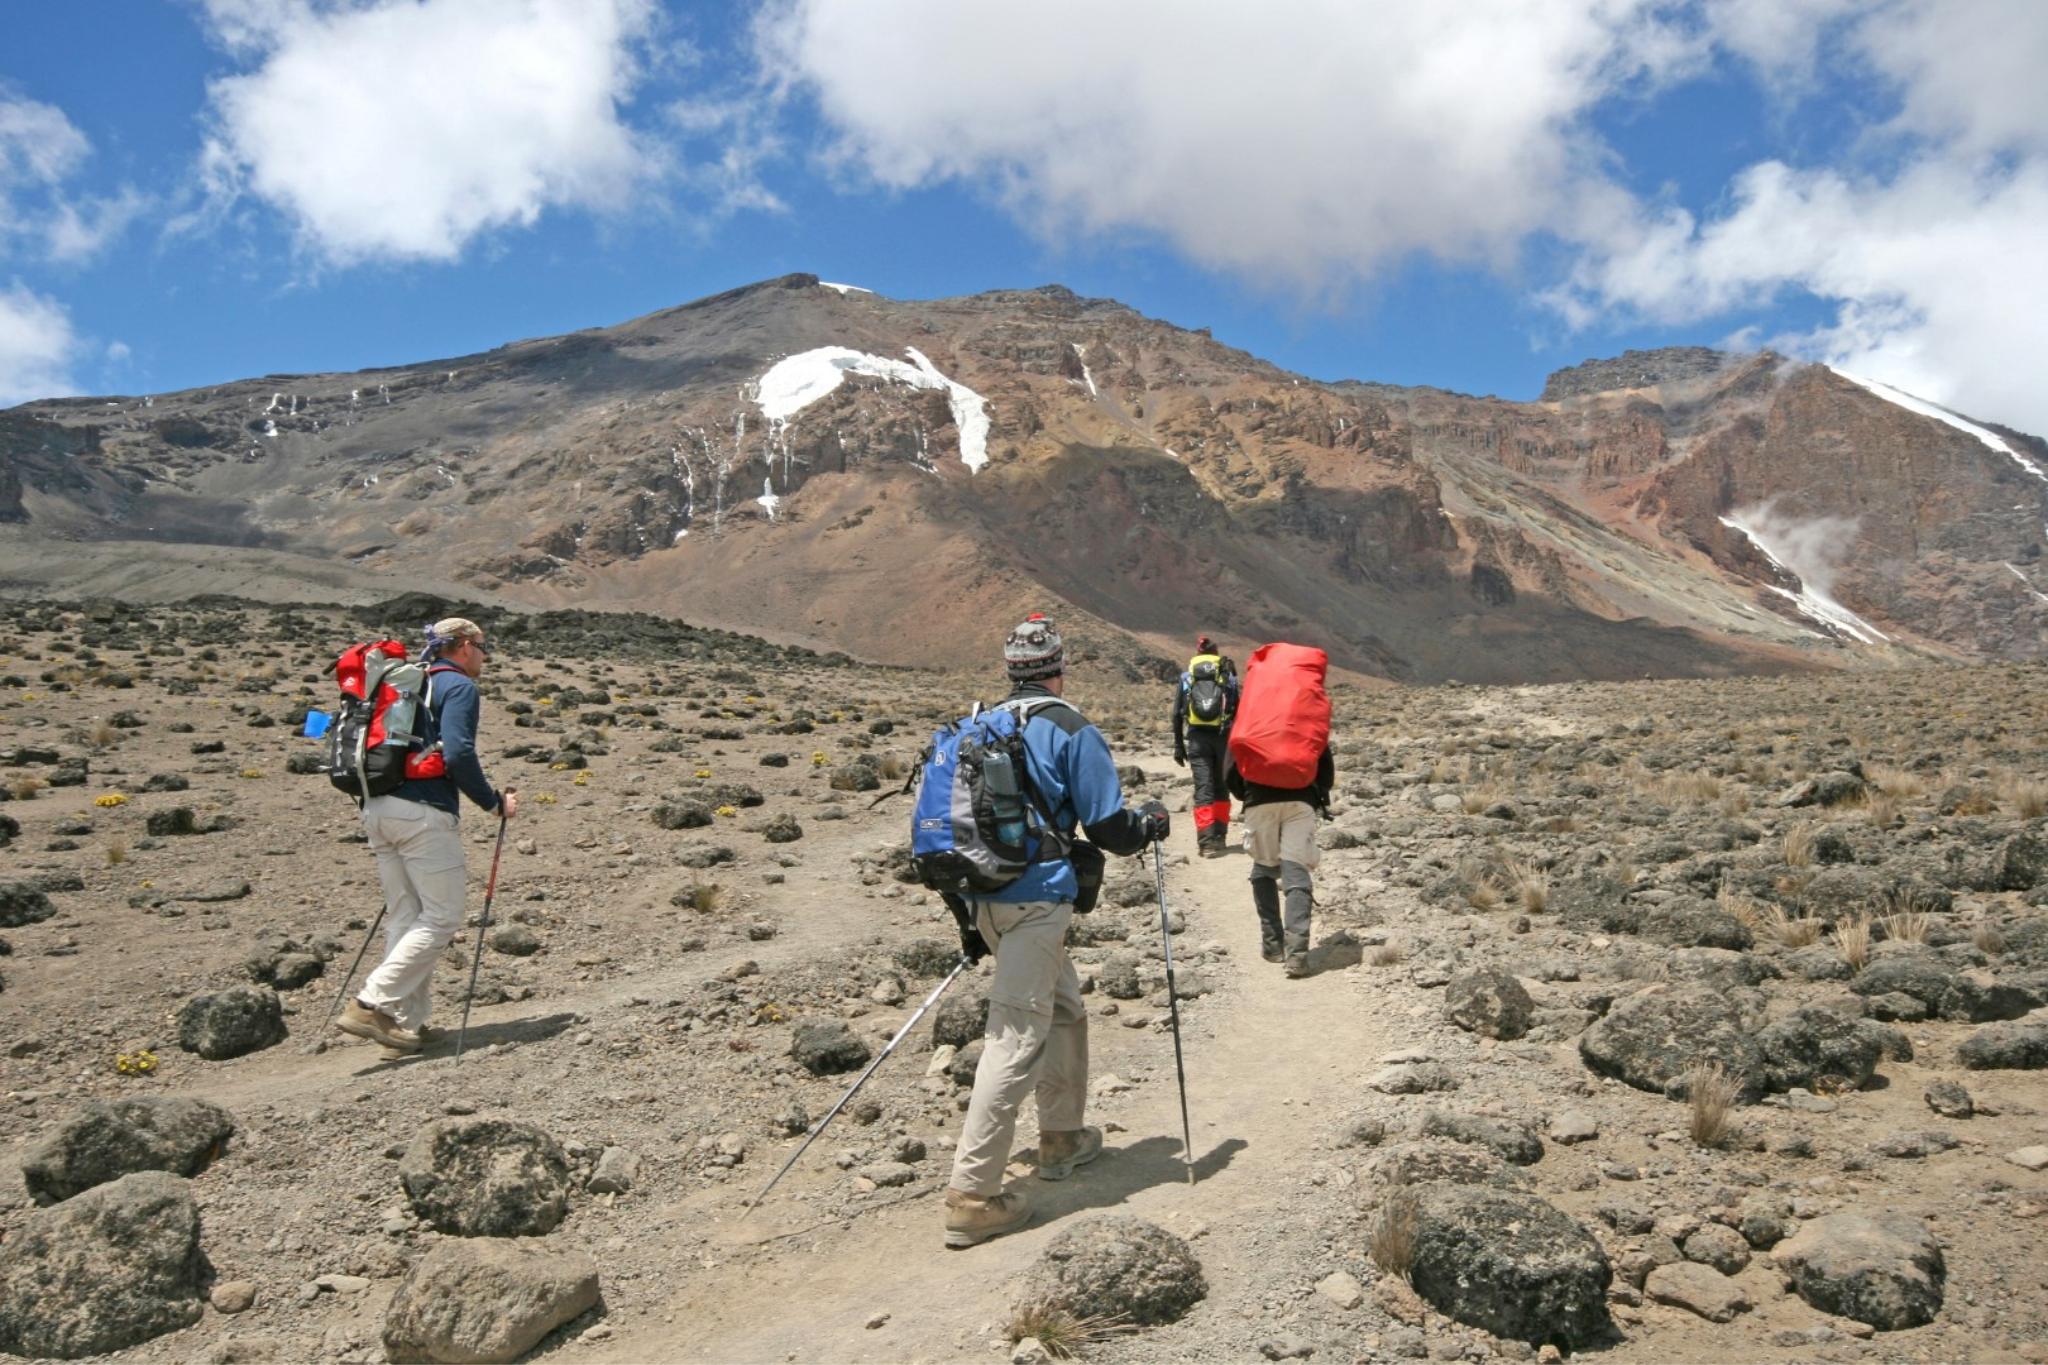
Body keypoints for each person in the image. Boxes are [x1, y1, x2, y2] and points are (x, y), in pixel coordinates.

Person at [943, 613, 1169, 1249]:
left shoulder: (976, 726)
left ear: (1011, 670)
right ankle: (972, 1196)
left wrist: (967, 916)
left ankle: (1062, 1135)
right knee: (1015, 1037)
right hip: (1035, 899)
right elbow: (1108, 827)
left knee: (1063, 1007)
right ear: (1059, 669)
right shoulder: (1070, 729)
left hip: (980, 895)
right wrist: (1148, 824)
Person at [336, 617, 517, 1057]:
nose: (485, 656)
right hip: (422, 814)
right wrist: (493, 802)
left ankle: (402, 1025)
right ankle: (371, 1005)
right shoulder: (457, 686)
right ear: (463, 646)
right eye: (482, 646)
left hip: (378, 808)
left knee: (406, 915)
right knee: (441, 917)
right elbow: (458, 752)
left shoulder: (405, 683)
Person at [1225, 735, 1332, 978]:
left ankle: (1273, 945)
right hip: (1301, 798)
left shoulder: (1250, 716)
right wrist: (1319, 793)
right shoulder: (1303, 716)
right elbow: (1324, 759)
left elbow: (1231, 765)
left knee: (1264, 866)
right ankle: (1297, 956)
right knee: (1296, 870)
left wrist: (1247, 793)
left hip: (1259, 798)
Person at [1172, 634, 1239, 857]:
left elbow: (1176, 713)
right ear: (1216, 654)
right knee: (1221, 787)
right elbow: (1238, 711)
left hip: (1197, 739)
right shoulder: (1227, 676)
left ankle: (1206, 843)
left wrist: (1178, 745)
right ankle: (1220, 836)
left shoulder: (1187, 677)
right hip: (1223, 738)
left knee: (1203, 789)